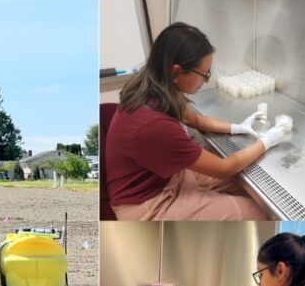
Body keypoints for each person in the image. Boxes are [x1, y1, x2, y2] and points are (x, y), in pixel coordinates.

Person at [105, 22, 293, 220]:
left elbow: (194, 119)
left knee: (244, 184)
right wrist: (267, 141)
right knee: (255, 212)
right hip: (147, 205)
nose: (207, 80)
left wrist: (237, 128)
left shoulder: (156, 85)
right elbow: (224, 168)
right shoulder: (154, 125)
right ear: (177, 72)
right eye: (204, 74)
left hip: (163, 178)